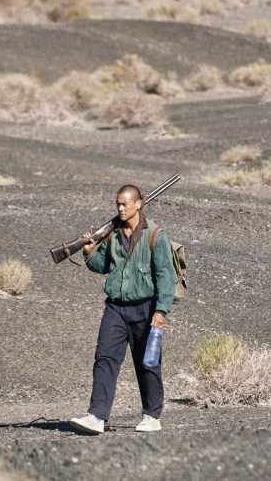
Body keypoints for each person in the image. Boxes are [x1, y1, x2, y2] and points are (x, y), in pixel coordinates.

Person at [70, 184, 176, 434]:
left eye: (124, 204)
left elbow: (165, 276)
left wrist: (161, 311)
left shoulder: (155, 235)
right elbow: (102, 265)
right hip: (115, 308)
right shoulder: (112, 235)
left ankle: (152, 415)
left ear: (138, 204)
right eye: (117, 203)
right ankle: (96, 416)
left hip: (146, 308)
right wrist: (88, 252)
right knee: (104, 359)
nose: (119, 208)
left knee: (147, 363)